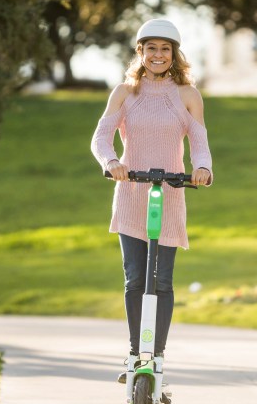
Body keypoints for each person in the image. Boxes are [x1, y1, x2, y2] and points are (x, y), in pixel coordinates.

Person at [91, 19, 213, 383]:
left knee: (162, 281)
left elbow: (199, 140)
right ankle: (134, 354)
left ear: (174, 54)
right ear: (140, 52)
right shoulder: (125, 93)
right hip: (131, 195)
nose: (158, 55)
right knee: (134, 279)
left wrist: (202, 167)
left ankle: (156, 356)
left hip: (170, 194)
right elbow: (101, 137)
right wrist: (111, 162)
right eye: (151, 48)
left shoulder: (187, 94)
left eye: (165, 49)